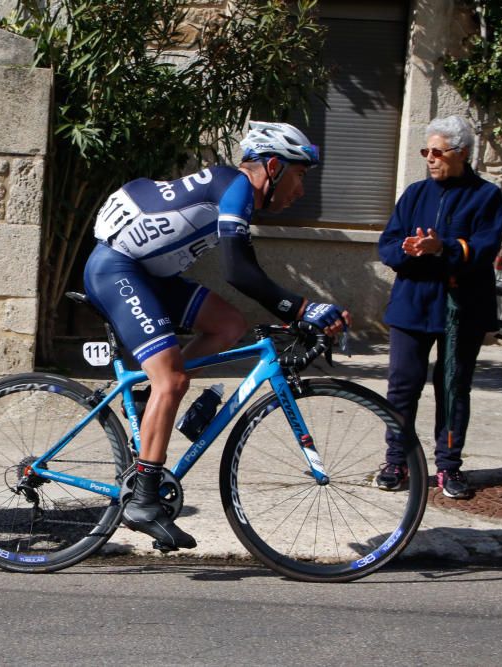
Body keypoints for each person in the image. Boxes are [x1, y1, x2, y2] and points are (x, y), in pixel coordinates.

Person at [83, 121, 350, 550]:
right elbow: (238, 271)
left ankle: (151, 400)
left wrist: (297, 310)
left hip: (151, 275)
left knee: (228, 325)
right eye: (300, 176)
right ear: (275, 166)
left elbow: (246, 271)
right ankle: (144, 501)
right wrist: (302, 308)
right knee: (173, 380)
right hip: (117, 269)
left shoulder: (233, 191)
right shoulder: (238, 186)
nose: (301, 190)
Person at [376, 115, 502, 499]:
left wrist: (442, 248)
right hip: (412, 305)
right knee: (402, 387)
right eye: (425, 152)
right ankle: (396, 461)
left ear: (461, 153)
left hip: (459, 308)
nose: (430, 159)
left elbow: (484, 248)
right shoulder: (414, 193)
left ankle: (448, 467)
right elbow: (387, 243)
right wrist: (406, 249)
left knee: (452, 388)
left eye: (437, 152)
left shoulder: (486, 195)